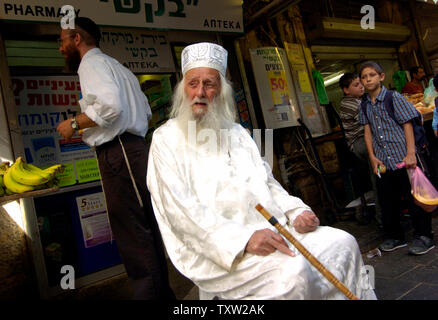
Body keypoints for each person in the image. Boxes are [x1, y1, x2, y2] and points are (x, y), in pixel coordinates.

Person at [146, 42, 376, 300]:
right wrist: (243, 240)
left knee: (343, 243)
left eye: (209, 84)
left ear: (221, 90)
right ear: (182, 89)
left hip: (273, 229)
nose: (200, 92)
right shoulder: (165, 139)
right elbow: (180, 211)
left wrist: (295, 210)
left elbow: (268, 183)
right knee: (292, 274)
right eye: (193, 83)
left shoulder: (239, 134)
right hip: (222, 250)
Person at [56, 17, 174, 300]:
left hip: (119, 153)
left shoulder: (90, 64)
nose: (60, 48)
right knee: (146, 229)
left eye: (62, 41)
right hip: (134, 150)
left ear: (76, 40)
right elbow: (145, 113)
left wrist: (73, 124)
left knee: (132, 233)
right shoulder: (119, 68)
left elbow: (111, 107)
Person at [359, 61, 435, 255]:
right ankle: (395, 236)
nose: (368, 79)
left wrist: (411, 153)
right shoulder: (365, 104)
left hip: (402, 157)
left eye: (372, 75)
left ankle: (424, 236)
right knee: (388, 200)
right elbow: (367, 132)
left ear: (381, 77)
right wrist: (372, 157)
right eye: (364, 77)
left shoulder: (394, 98)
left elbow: (407, 124)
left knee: (413, 198)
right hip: (383, 161)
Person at [338, 73, 382, 226]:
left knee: (381, 172)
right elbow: (372, 119)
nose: (361, 86)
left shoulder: (360, 100)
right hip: (359, 143)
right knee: (378, 174)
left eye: (360, 83)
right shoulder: (350, 103)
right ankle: (383, 217)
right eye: (356, 85)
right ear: (346, 90)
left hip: (367, 139)